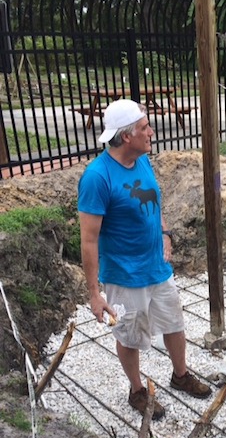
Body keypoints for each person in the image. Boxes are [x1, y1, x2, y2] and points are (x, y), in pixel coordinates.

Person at [77, 99, 212, 421]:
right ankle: (137, 390)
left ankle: (180, 376)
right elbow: (88, 239)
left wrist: (165, 235)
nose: (151, 132)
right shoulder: (97, 177)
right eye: (144, 128)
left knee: (174, 323)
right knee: (130, 335)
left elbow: (154, 207)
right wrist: (94, 293)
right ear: (126, 136)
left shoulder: (142, 161)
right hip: (125, 276)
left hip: (157, 267)